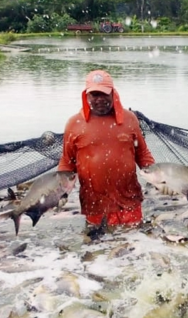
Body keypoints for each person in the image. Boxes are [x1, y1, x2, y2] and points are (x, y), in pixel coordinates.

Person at [58, 70, 155, 228]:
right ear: (86, 96)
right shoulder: (74, 124)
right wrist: (61, 192)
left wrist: (162, 180)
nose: (100, 100)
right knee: (97, 248)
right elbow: (67, 163)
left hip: (129, 200)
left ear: (113, 93)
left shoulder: (130, 119)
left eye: (104, 94)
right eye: (94, 95)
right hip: (94, 204)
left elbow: (143, 154)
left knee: (133, 245)